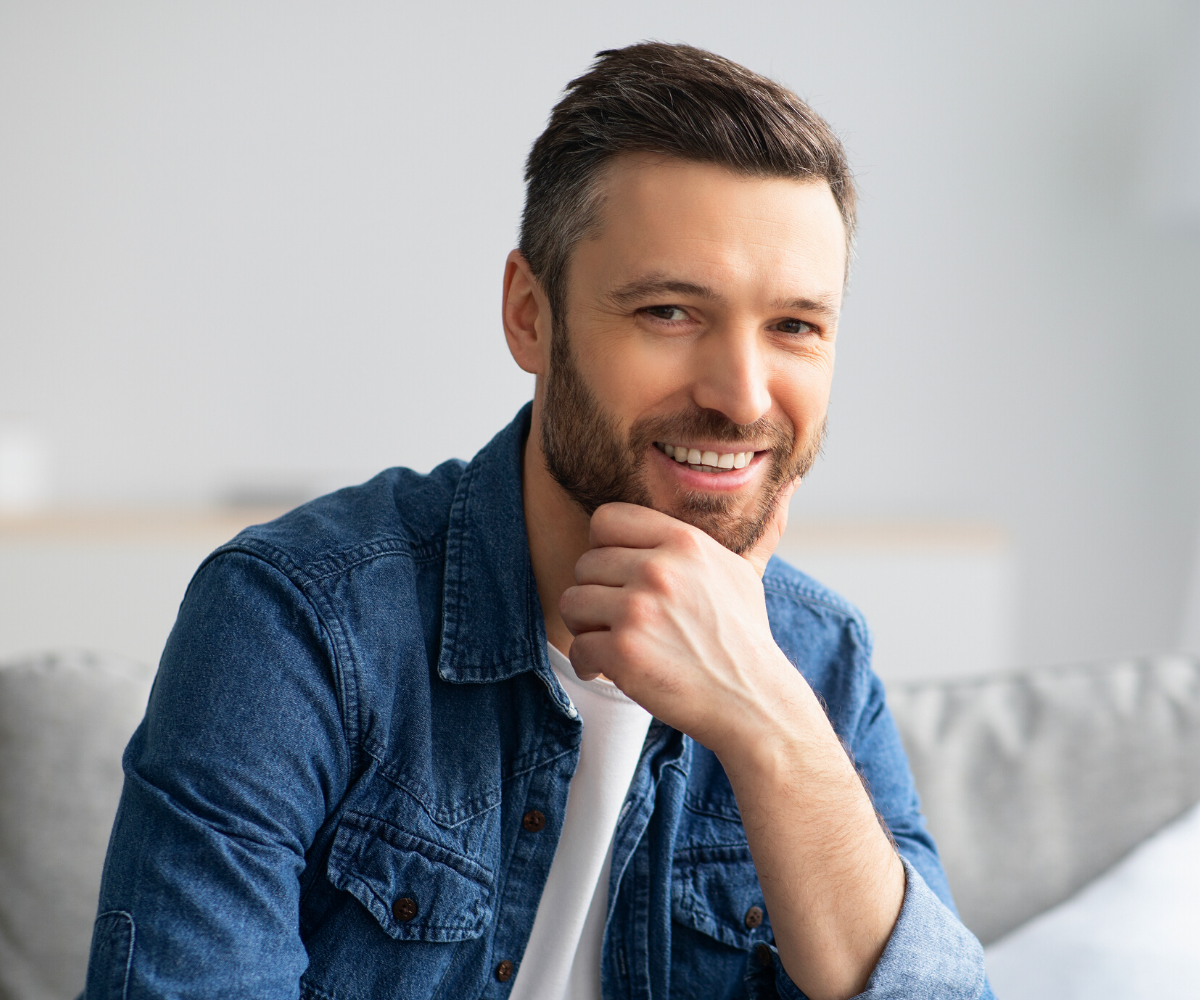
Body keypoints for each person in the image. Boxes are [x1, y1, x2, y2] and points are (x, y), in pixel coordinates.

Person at [86, 42, 991, 1000]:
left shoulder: (818, 660)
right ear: (530, 313)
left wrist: (766, 716)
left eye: (796, 327)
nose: (742, 395)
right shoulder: (298, 624)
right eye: (671, 311)